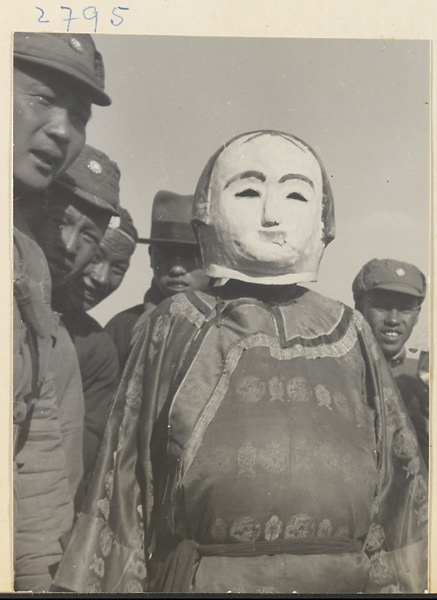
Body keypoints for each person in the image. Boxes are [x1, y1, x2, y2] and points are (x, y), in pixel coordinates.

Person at [54, 130, 427, 594]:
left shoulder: (353, 333)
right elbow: (123, 472)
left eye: (294, 194)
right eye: (248, 192)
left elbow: (400, 486)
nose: (271, 215)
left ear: (323, 218)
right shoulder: (175, 322)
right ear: (207, 211)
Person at [13, 33, 110, 591]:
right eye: (42, 98)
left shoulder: (24, 260)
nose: (62, 130)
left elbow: (40, 448)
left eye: (78, 116)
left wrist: (35, 579)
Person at [53, 203, 138, 488]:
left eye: (118, 268)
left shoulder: (98, 349)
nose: (101, 278)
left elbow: (82, 448)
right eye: (95, 257)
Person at [104, 191, 211, 371]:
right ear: (151, 256)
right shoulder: (123, 327)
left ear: (212, 259)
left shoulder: (229, 326)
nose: (177, 269)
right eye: (166, 254)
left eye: (191, 256)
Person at [352, 258, 429, 464]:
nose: (393, 320)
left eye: (405, 309)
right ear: (359, 307)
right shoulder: (338, 372)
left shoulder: (426, 380)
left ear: (417, 315)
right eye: (382, 307)